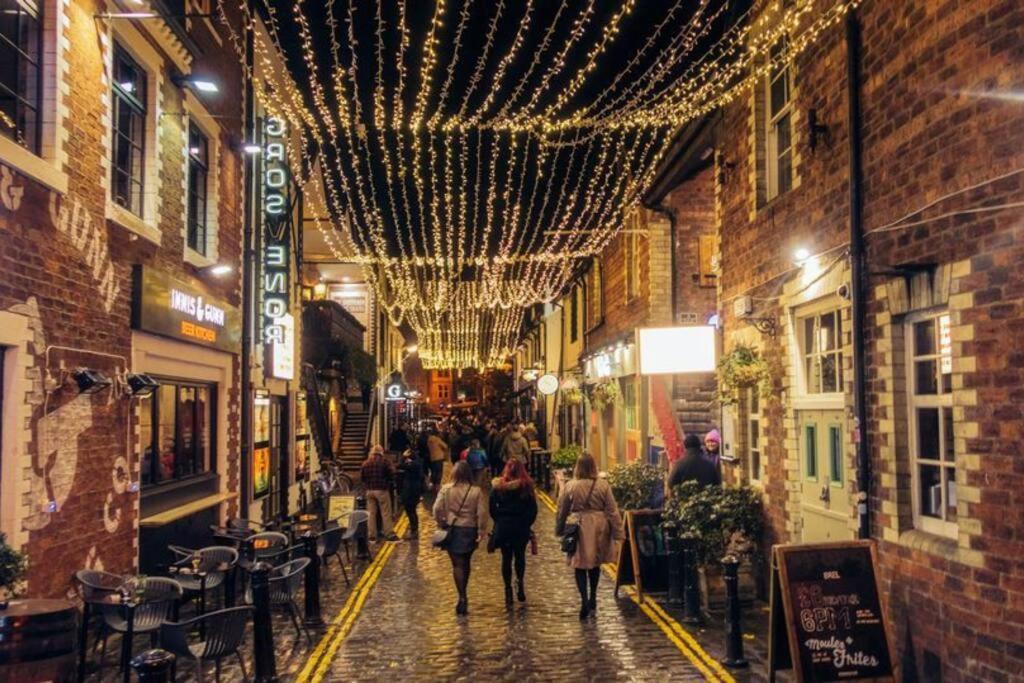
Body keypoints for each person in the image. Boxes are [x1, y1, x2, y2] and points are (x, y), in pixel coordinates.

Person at [555, 453, 623, 620]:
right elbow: (612, 510)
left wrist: (560, 529)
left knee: (579, 565)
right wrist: (619, 533)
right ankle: (593, 597)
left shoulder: (571, 486)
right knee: (594, 564)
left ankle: (584, 599)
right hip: (600, 526)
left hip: (579, 526)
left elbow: (562, 509)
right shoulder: (603, 485)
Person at [433, 461, 488, 616]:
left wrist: (441, 522)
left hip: (453, 529)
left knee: (457, 564)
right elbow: (482, 513)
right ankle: (464, 593)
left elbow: (436, 508)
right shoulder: (476, 491)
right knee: (466, 562)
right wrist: (481, 530)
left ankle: (462, 596)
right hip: (469, 529)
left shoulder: (446, 489)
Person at [489, 460, 538, 608]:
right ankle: (520, 582)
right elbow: (533, 509)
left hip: (504, 527)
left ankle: (508, 590)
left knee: (506, 557)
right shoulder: (526, 487)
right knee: (520, 556)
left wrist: (499, 520)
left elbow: (492, 509)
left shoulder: (498, 488)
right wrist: (526, 523)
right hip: (520, 527)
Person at [360, 445, 398, 541]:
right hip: (381, 490)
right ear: (381, 452)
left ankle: (372, 535)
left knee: (371, 513)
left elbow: (362, 478)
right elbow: (392, 473)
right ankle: (389, 533)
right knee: (385, 512)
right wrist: (388, 482)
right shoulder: (385, 462)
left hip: (369, 490)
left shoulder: (365, 463)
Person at [397, 448, 426, 540]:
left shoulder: (413, 464)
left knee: (410, 511)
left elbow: (399, 465)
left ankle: (414, 530)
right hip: (415, 490)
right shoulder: (417, 463)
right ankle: (414, 529)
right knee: (411, 511)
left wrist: (403, 457)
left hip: (410, 491)